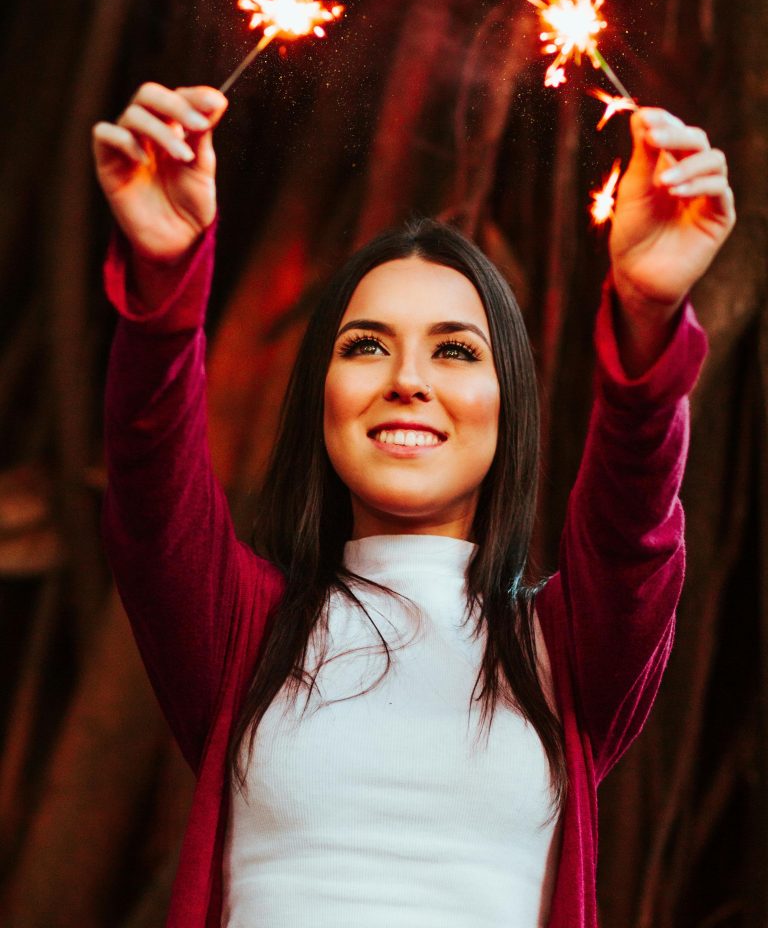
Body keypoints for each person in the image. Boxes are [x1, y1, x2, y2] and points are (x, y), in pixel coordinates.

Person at [93, 82, 735, 928]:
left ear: (509, 409)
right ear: (319, 394)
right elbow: (149, 475)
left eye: (456, 351)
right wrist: (163, 275)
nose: (408, 381)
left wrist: (649, 311)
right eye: (366, 346)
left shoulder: (567, 650)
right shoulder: (242, 631)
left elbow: (633, 526)